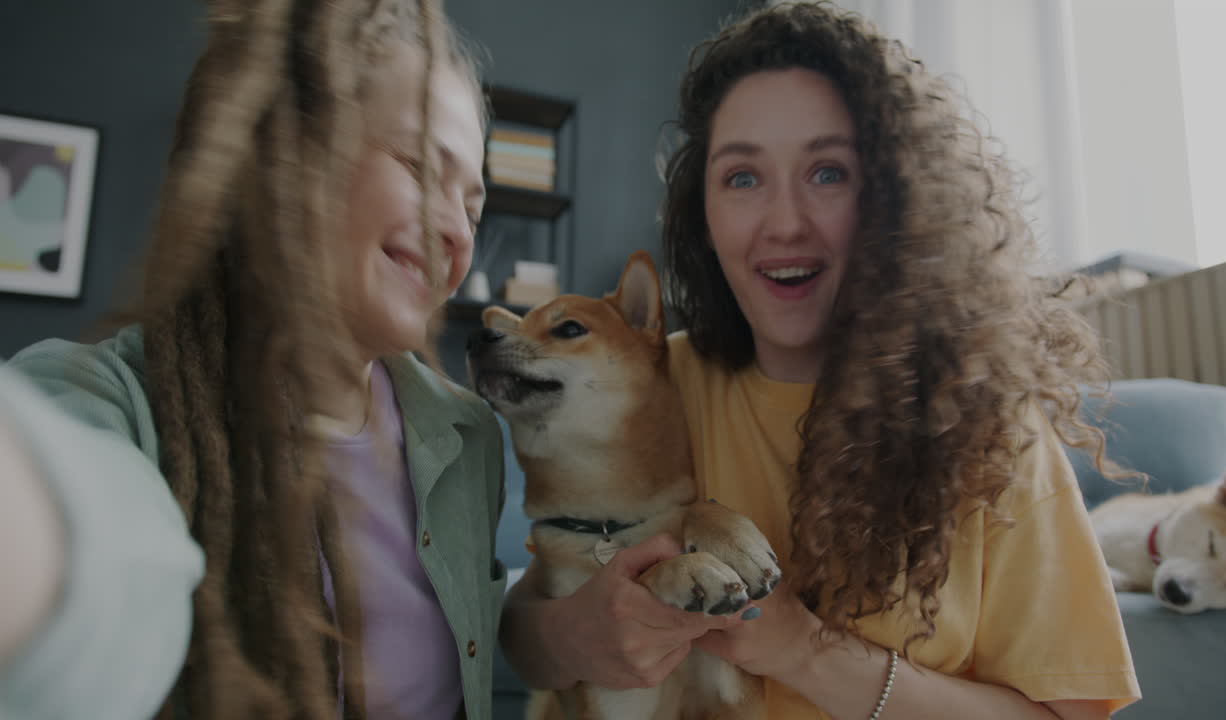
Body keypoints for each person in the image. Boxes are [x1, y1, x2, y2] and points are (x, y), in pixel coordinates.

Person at [500, 3, 1140, 719]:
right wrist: (578, 632)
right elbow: (526, 624)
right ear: (702, 214)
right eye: (742, 178)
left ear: (892, 199)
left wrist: (804, 650)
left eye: (827, 172)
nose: (784, 223)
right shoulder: (649, 387)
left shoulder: (992, 430)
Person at [0, 1, 506, 718]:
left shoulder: (468, 437)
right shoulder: (104, 401)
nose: (456, 229)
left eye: (475, 208)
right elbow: (93, 551)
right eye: (422, 167)